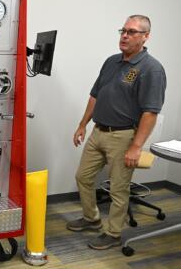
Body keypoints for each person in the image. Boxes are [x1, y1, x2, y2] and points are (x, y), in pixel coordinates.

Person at [67, 15, 166, 250]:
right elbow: (95, 95)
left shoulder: (151, 69)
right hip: (98, 131)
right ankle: (92, 219)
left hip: (124, 136)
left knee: (118, 189)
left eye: (132, 32)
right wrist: (83, 124)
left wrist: (135, 147)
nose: (125, 35)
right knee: (83, 177)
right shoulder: (111, 62)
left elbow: (150, 113)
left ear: (145, 37)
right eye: (123, 30)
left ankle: (113, 234)